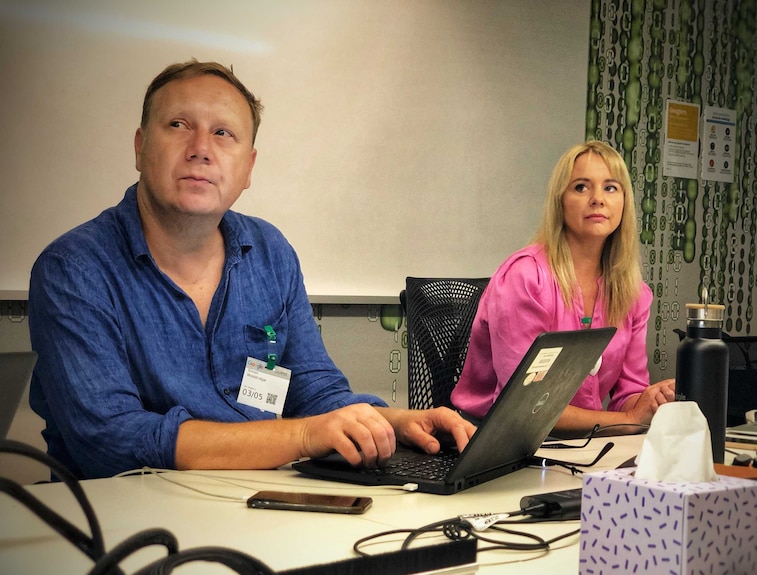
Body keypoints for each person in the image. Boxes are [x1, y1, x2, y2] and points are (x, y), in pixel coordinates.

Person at [28, 60, 474, 480]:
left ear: (248, 168)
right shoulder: (74, 270)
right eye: (179, 125)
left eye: (224, 133)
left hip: (252, 499)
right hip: (125, 519)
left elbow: (314, 392)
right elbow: (112, 439)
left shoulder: (269, 252)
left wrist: (393, 423)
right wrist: (301, 435)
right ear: (141, 147)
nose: (201, 150)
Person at [450, 140, 675, 436]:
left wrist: (649, 403)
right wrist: (632, 418)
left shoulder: (633, 293)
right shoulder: (525, 278)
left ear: (624, 202)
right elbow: (526, 407)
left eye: (610, 187)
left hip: (580, 445)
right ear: (560, 201)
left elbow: (627, 397)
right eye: (581, 187)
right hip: (492, 442)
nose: (597, 199)